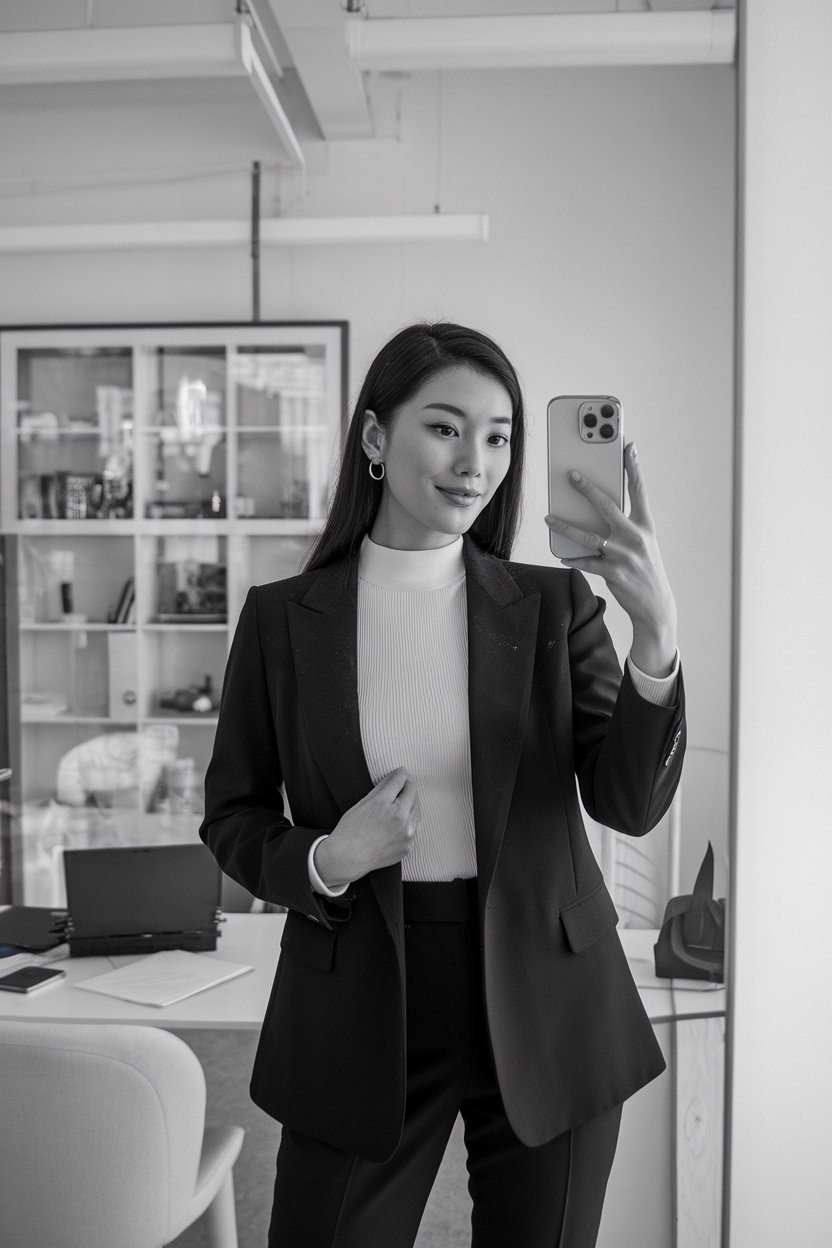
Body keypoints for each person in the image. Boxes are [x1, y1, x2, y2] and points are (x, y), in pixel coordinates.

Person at [199, 321, 685, 1248]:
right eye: (446, 428)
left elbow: (626, 800)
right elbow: (232, 815)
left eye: (499, 436)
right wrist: (329, 857)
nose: (477, 461)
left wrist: (656, 636)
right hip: (362, 1000)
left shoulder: (554, 606)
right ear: (376, 440)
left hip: (548, 996)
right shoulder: (280, 623)